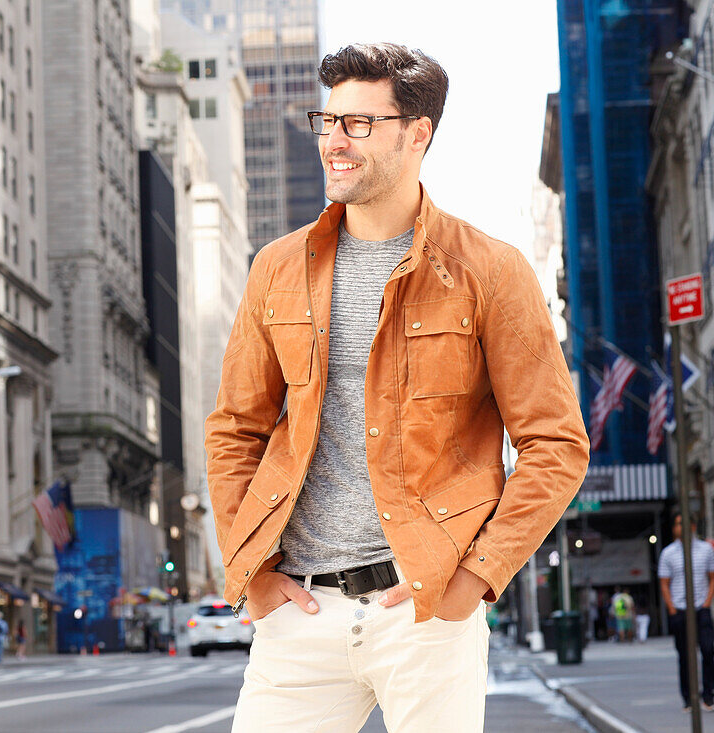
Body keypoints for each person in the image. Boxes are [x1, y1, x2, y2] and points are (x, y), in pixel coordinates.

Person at [204, 42, 589, 732]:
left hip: (427, 610)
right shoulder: (277, 269)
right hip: (302, 613)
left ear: (418, 133)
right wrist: (253, 576)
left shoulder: (489, 271)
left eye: (359, 124)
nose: (334, 142)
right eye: (329, 121)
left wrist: (472, 579)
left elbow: (555, 443)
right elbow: (235, 428)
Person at [658, 510, 714, 712]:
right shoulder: (668, 553)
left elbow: (713, 577)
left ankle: (708, 695)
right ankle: (688, 698)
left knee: (708, 650)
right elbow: (664, 583)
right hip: (680, 609)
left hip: (701, 607)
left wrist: (707, 603)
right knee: (684, 655)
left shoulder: (706, 550)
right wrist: (672, 609)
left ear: (692, 526)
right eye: (676, 524)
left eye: (681, 523)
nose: (678, 528)